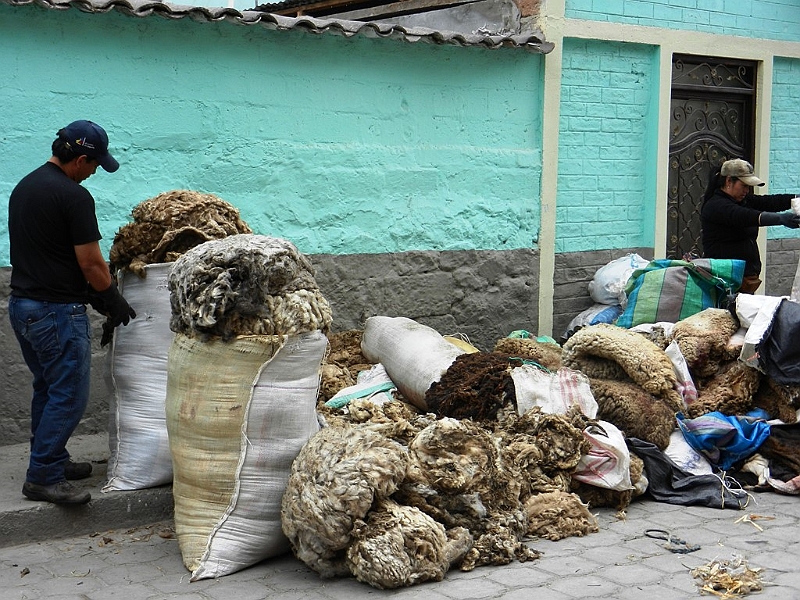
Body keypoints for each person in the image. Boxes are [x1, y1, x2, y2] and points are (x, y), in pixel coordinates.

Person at [7, 120, 136, 505]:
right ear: (80, 159)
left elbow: (49, 252)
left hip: (24, 306)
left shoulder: (25, 186)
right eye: (94, 165)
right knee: (69, 395)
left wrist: (89, 294)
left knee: (48, 388)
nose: (94, 172)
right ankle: (43, 476)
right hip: (55, 313)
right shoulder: (74, 197)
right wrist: (111, 297)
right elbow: (91, 262)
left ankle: (52, 459)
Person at [701, 158, 800, 294]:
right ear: (729, 181)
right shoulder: (716, 206)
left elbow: (769, 202)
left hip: (745, 279)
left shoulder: (743, 201)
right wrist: (782, 218)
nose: (747, 190)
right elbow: (747, 216)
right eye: (744, 185)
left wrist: (795, 198)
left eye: (749, 186)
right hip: (724, 280)